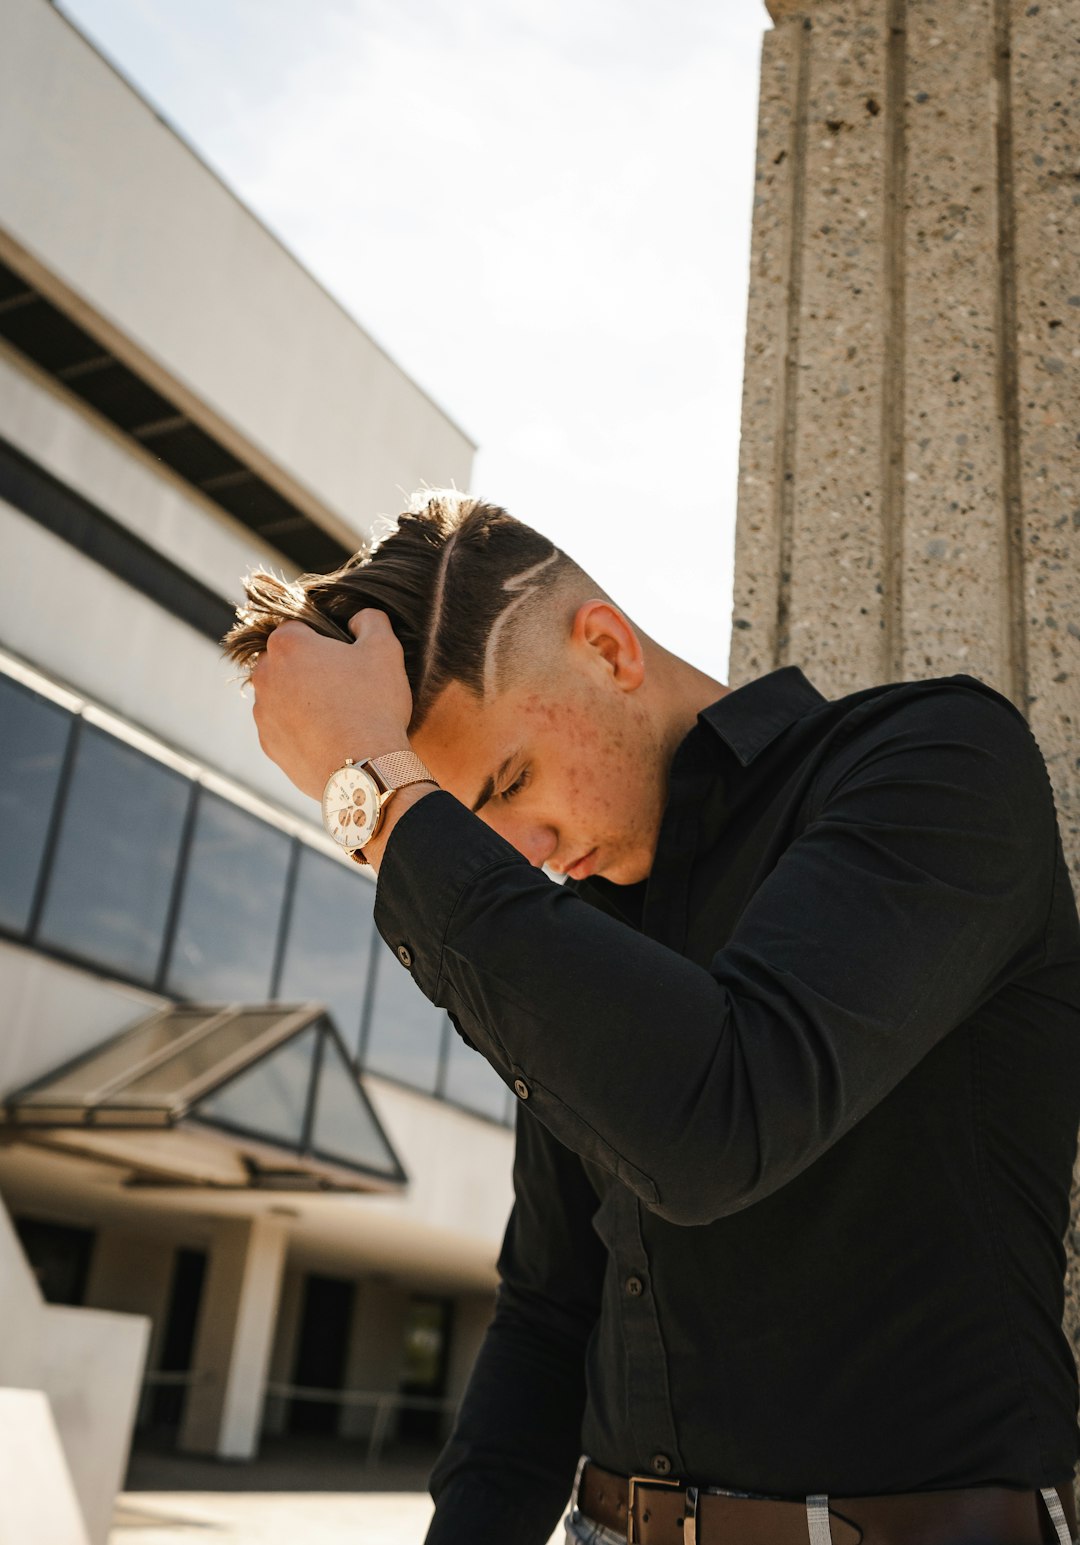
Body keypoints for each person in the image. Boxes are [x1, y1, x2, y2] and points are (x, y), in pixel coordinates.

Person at [225, 491, 1080, 1545]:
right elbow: (549, 1309)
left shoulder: (935, 761)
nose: (521, 850)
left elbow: (719, 1123)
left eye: (510, 783)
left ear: (607, 648)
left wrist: (376, 790)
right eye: (482, 835)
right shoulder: (570, 933)